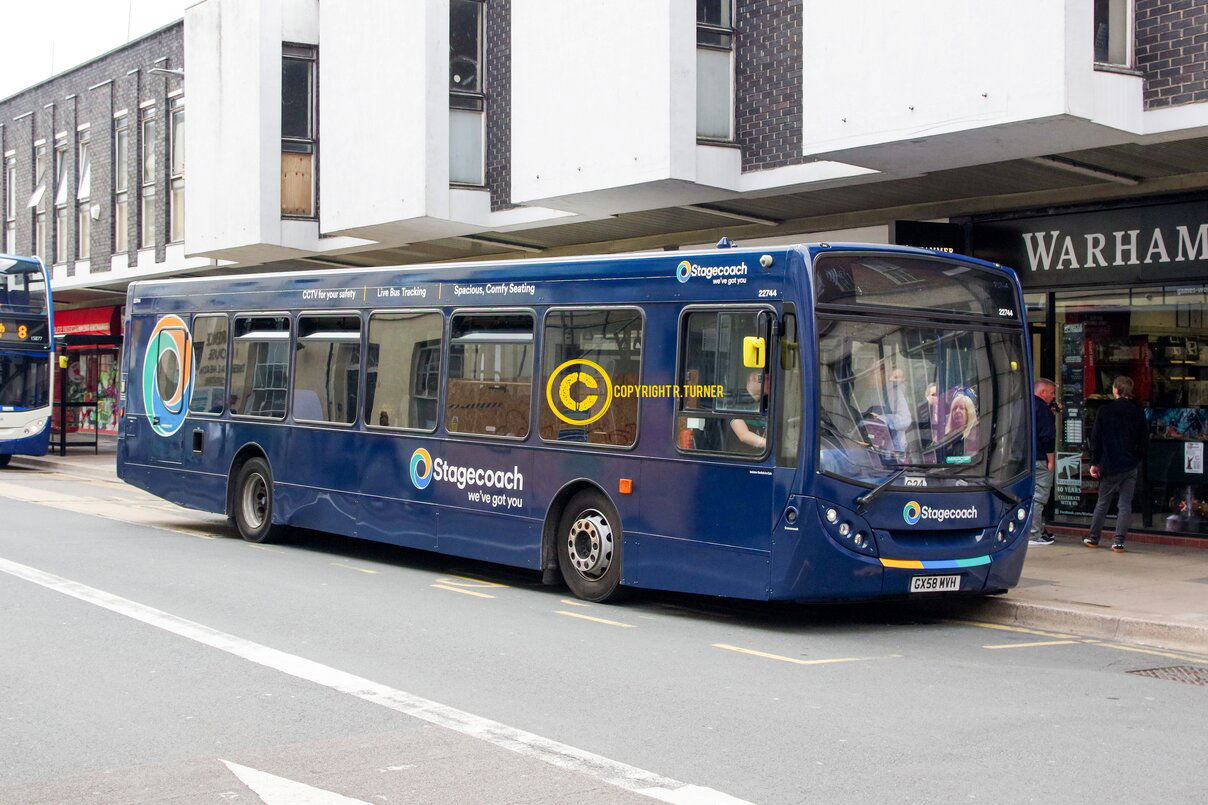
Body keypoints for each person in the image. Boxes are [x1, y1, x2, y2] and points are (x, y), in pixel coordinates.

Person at [1085, 376, 1148, 552]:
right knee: (1125, 504)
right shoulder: (1137, 412)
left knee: (1103, 502)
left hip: (1109, 463)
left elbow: (1096, 439)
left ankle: (1093, 537)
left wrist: (1094, 462)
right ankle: (1119, 541)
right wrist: (1137, 457)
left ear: (1116, 390)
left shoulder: (1105, 411)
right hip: (1130, 463)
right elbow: (1143, 440)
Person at [1028, 378, 1057, 545]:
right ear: (1042, 392)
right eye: (1052, 393)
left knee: (1025, 497)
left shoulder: (1022, 405)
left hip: (1023, 460)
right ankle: (1033, 534)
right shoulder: (1042, 409)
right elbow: (1047, 436)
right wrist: (1051, 460)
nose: (1053, 396)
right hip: (1040, 459)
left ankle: (1027, 531)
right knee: (1038, 497)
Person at [729, 370, 768, 452]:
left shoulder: (765, 403)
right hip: (743, 457)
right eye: (767, 378)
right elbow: (743, 435)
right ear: (753, 377)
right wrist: (770, 444)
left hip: (759, 456)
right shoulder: (737, 401)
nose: (771, 382)